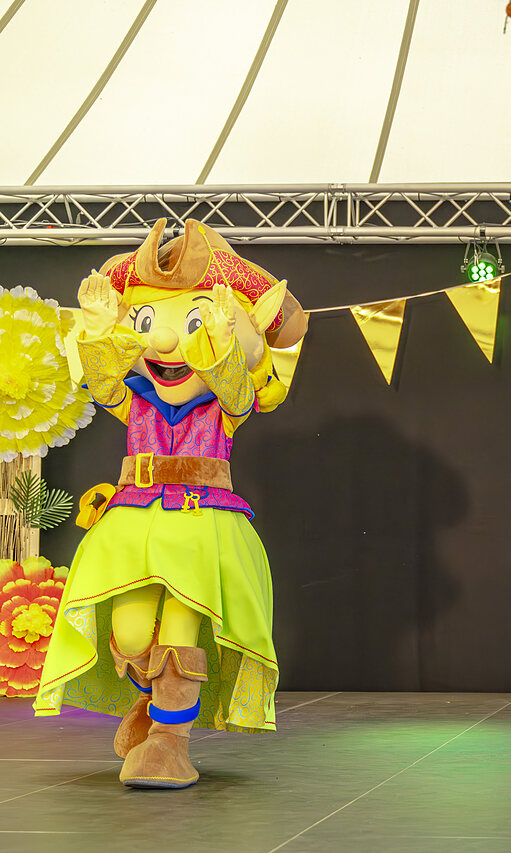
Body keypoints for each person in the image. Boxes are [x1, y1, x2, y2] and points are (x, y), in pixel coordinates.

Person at [35, 219, 306, 789]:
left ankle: (169, 741)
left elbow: (234, 387)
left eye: (190, 323)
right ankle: (150, 699)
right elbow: (103, 383)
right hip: (134, 520)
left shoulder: (226, 405)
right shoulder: (137, 399)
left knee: (182, 629)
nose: (163, 342)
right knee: (132, 632)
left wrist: (218, 343)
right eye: (146, 322)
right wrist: (98, 330)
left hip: (201, 524)